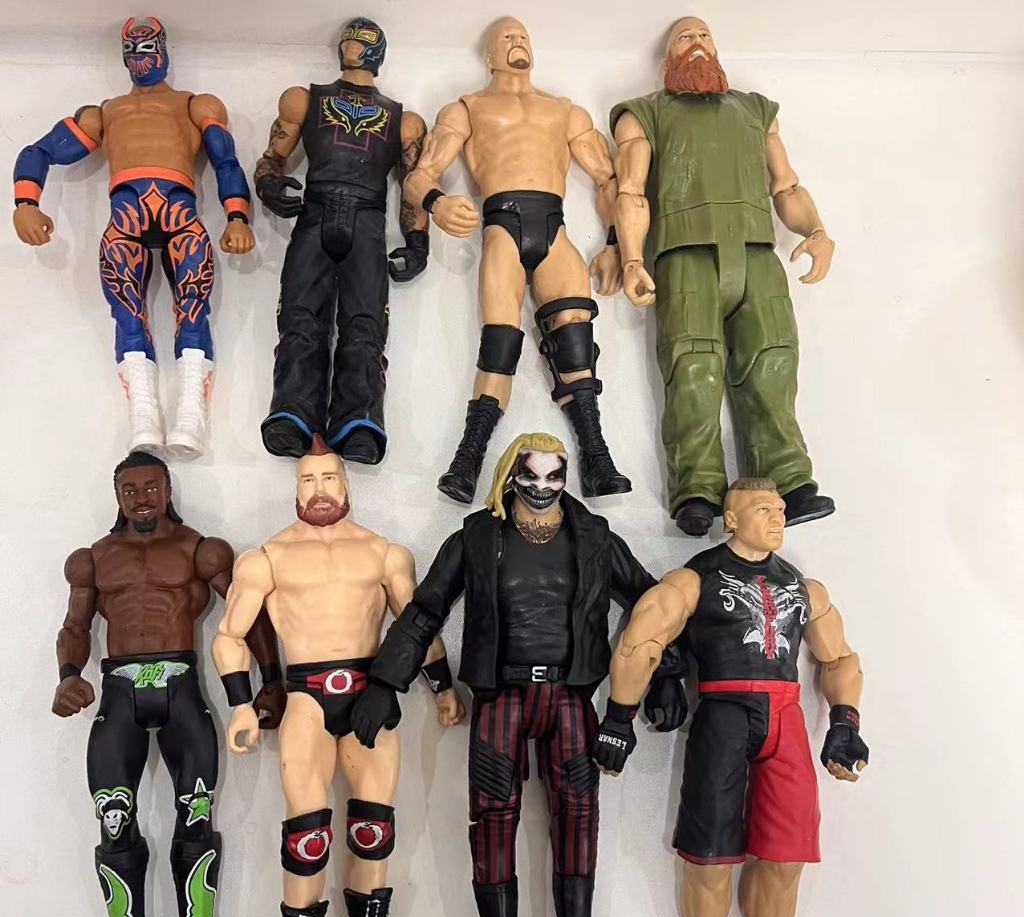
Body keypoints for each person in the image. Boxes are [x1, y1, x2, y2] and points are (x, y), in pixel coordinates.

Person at [364, 433, 686, 917]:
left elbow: (653, 602)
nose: (542, 488)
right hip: (501, 696)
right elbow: (426, 607)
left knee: (579, 816)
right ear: (510, 474)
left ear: (566, 476)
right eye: (530, 475)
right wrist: (385, 681)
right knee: (491, 817)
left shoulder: (594, 537)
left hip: (570, 695)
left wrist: (664, 672)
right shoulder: (477, 535)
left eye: (554, 476)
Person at [596, 478, 869, 917]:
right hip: (723, 712)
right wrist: (619, 718)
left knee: (787, 857)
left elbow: (839, 659)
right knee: (710, 855)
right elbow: (640, 640)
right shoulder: (694, 578)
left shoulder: (805, 588)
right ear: (731, 519)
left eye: (781, 509)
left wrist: (845, 720)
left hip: (785, 717)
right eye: (763, 508)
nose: (778, 517)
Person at [212, 434, 461, 917]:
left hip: (372, 697)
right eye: (307, 480)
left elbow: (417, 627)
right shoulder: (266, 557)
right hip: (306, 701)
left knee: (374, 832)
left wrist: (443, 686)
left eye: (328, 479)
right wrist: (240, 704)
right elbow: (229, 635)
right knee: (307, 837)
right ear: (295, 488)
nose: (318, 490)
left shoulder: (384, 553)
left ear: (346, 485)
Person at [53, 451, 283, 917]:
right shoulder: (93, 559)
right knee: (114, 821)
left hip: (182, 688)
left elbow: (248, 616)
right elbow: (74, 625)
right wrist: (67, 675)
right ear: (117, 496)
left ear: (168, 488)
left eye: (151, 486)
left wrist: (271, 680)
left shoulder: (201, 551)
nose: (142, 498)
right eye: (129, 489)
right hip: (118, 690)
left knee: (196, 817)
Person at [610, 16, 836, 536]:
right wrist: (632, 259)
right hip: (684, 253)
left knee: (774, 362)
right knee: (693, 367)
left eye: (705, 36)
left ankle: (789, 481)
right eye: (685, 37)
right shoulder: (644, 112)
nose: (697, 43)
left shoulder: (756, 110)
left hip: (757, 251)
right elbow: (631, 191)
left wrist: (816, 230)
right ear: (667, 55)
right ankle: (697, 488)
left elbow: (786, 185)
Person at [404, 18, 630, 503]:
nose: (518, 41)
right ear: (489, 57)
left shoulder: (564, 111)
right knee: (499, 345)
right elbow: (420, 175)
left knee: (577, 348)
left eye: (524, 35)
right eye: (506, 37)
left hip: (555, 228)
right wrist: (438, 204)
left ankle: (598, 459)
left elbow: (610, 180)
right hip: (501, 226)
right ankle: (467, 461)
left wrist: (616, 243)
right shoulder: (467, 108)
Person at [13, 17, 254, 457]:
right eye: (133, 50)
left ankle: (191, 418)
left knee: (193, 311)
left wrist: (237, 216)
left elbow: (226, 161)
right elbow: (39, 151)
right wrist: (25, 203)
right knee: (127, 317)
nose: (142, 58)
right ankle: (143, 419)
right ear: (123, 57)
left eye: (149, 48)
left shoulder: (195, 103)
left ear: (164, 49)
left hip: (179, 211)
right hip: (127, 215)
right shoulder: (104, 112)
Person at [255, 17, 430, 464]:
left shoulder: (406, 120)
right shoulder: (303, 98)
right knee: (299, 316)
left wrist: (418, 240)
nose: (353, 44)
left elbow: (413, 184)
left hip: (367, 218)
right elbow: (272, 157)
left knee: (365, 323)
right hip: (315, 211)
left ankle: (359, 419)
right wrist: (268, 182)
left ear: (378, 50)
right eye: (350, 37)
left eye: (364, 39)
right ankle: (293, 411)